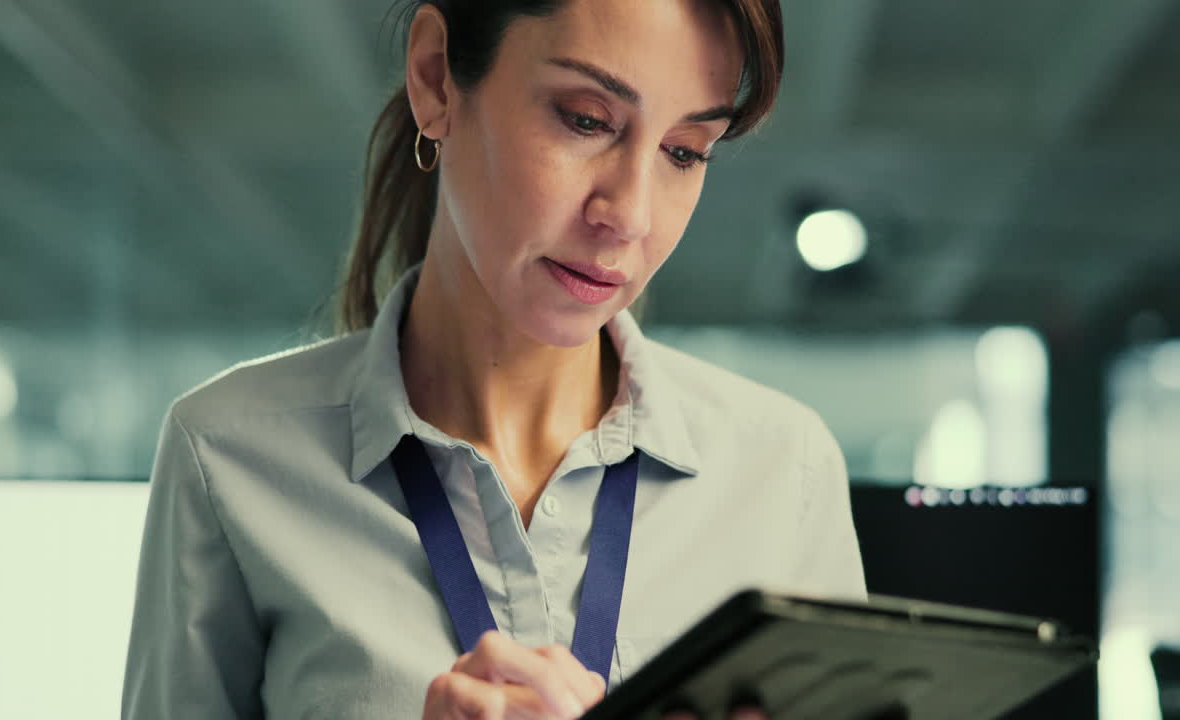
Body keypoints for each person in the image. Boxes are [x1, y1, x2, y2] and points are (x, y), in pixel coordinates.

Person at [121, 0, 866, 718]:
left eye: (683, 152)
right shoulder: (227, 455)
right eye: (586, 120)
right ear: (437, 77)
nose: (631, 215)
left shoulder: (783, 473)